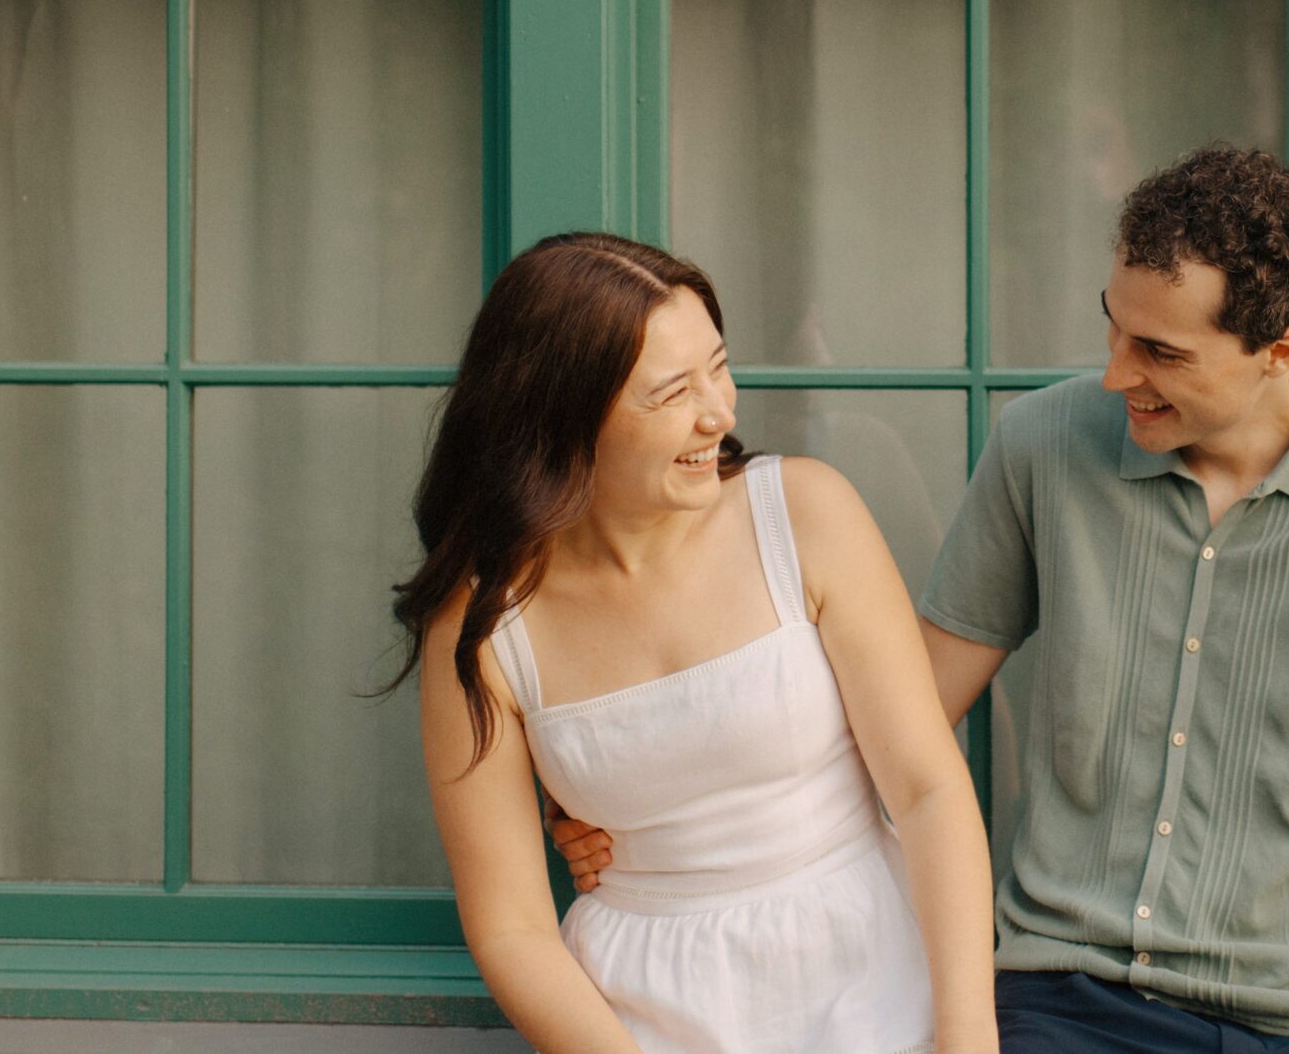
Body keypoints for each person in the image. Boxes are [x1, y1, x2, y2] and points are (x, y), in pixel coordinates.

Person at [559, 146, 1289, 1054]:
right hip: (1069, 1002)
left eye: (1160, 351)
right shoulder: (1043, 448)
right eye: (1113, 326)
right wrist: (650, 809)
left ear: (1278, 350)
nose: (1117, 372)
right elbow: (898, 723)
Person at [393, 232, 999, 1054]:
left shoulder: (806, 515)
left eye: (719, 367)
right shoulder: (481, 631)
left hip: (877, 977)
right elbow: (512, 930)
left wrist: (967, 1037)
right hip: (639, 1017)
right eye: (673, 392)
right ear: (563, 418)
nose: (720, 412)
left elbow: (927, 790)